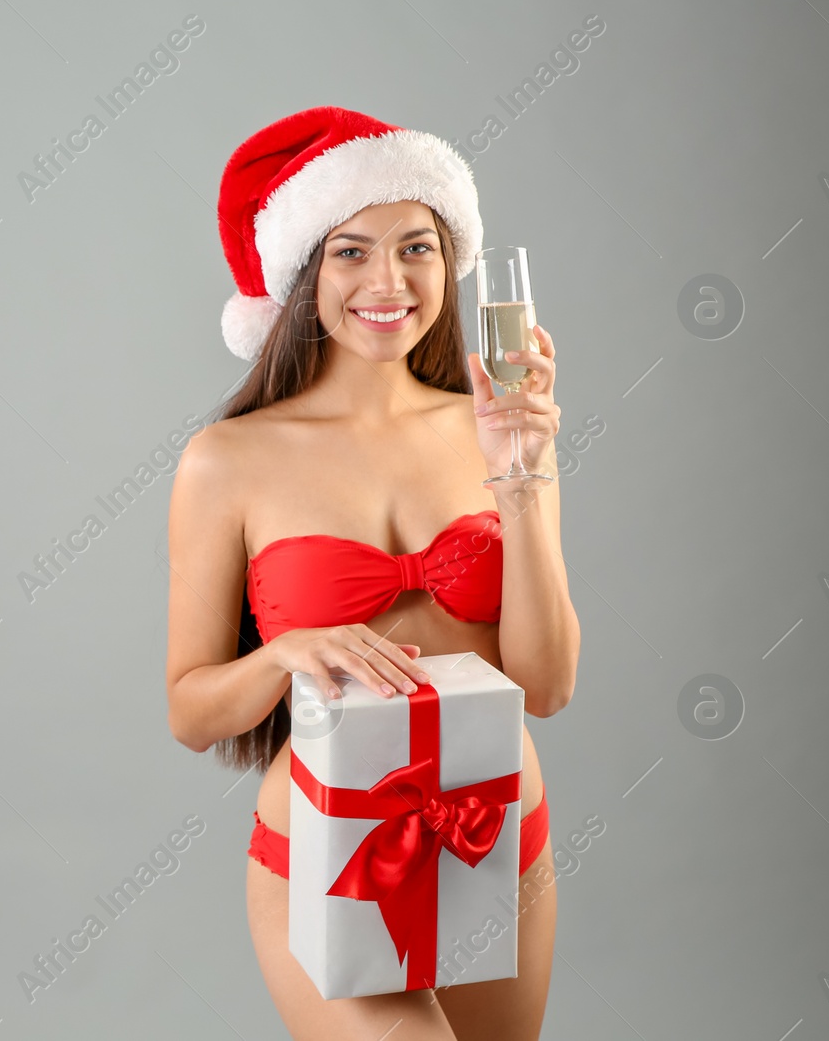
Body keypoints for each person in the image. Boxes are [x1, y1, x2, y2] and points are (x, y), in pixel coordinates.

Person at [165, 106, 581, 1040]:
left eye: (417, 248)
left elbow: (546, 686)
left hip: (497, 828)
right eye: (350, 251)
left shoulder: (499, 423)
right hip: (328, 840)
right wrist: (286, 654)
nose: (387, 281)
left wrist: (524, 475)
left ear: (452, 261)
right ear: (305, 272)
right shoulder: (227, 460)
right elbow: (190, 710)